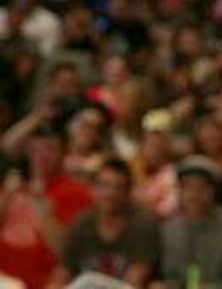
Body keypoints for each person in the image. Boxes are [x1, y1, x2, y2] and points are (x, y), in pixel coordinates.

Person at [0, 122, 93, 289]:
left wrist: (41, 204)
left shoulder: (76, 193)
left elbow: (65, 252)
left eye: (50, 149)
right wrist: (6, 198)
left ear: (64, 153)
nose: (41, 156)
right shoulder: (13, 186)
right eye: (35, 150)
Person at [51, 157, 159, 288]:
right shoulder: (82, 223)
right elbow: (64, 270)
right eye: (105, 186)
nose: (111, 194)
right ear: (93, 189)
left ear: (128, 193)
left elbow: (135, 280)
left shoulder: (142, 225)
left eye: (119, 187)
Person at [159, 155, 222, 288]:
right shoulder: (169, 229)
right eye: (188, 187)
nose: (194, 195)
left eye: (202, 188)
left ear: (214, 190)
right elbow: (167, 276)